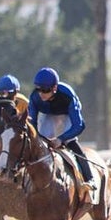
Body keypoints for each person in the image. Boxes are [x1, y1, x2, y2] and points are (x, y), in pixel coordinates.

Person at [27, 67, 95, 196]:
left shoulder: (67, 95)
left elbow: (79, 125)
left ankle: (89, 178)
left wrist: (61, 139)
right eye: (38, 89)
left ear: (54, 88)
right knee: (38, 143)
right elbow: (32, 124)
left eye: (45, 90)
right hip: (48, 115)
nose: (41, 93)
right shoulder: (35, 97)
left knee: (70, 141)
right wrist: (39, 138)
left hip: (67, 114)